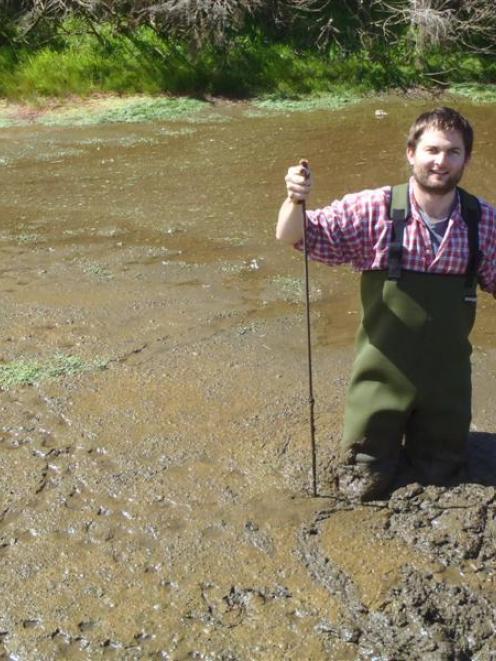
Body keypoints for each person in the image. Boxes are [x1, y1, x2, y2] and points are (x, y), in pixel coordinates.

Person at [276, 106, 496, 501]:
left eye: (453, 152)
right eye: (431, 150)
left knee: (444, 475)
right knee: (362, 482)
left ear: (466, 159)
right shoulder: (373, 209)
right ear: (411, 152)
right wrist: (295, 199)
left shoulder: (482, 221)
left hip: (448, 388)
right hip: (379, 385)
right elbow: (295, 236)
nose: (441, 162)